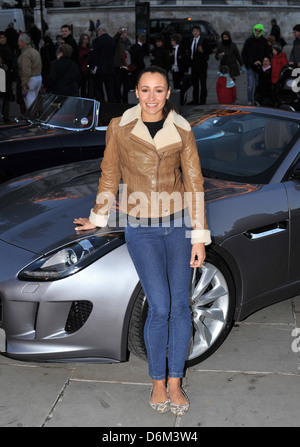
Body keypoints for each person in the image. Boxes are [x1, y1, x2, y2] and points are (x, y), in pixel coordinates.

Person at [73, 65, 211, 415]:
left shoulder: (182, 129)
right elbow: (109, 173)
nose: (152, 97)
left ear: (168, 93)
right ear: (137, 92)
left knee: (181, 306)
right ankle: (157, 381)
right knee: (160, 306)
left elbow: (194, 183)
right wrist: (97, 217)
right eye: (145, 90)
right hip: (141, 226)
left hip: (179, 223)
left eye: (159, 90)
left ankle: (176, 381)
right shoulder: (120, 128)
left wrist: (199, 237)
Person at [242, 24, 269, 105]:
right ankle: (250, 101)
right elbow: (244, 53)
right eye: (256, 30)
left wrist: (262, 62)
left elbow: (266, 53)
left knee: (258, 85)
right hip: (251, 66)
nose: (257, 32)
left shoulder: (264, 41)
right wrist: (248, 63)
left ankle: (256, 100)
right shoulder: (249, 40)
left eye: (259, 31)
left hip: (260, 67)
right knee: (250, 84)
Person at [89, 23, 115, 102]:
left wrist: (92, 67)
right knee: (109, 87)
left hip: (100, 68)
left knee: (98, 86)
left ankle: (101, 102)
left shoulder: (98, 40)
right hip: (110, 67)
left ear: (100, 31)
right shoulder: (111, 40)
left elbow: (96, 54)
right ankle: (111, 103)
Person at [17, 33, 42, 109]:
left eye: (19, 41)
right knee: (35, 101)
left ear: (22, 42)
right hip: (38, 77)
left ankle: (32, 119)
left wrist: (24, 84)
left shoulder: (25, 54)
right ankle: (35, 116)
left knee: (30, 103)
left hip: (30, 80)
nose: (18, 43)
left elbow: (26, 70)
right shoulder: (34, 51)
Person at [189, 24, 209, 105]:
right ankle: (195, 100)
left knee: (203, 84)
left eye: (197, 31)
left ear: (200, 32)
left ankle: (202, 101)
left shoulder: (204, 40)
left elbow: (208, 52)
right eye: (194, 31)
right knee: (195, 84)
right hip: (194, 66)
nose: (195, 32)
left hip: (202, 65)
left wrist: (202, 51)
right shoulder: (191, 40)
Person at [170, 33, 189, 105]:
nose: (171, 42)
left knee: (181, 86)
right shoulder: (172, 49)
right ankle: (176, 100)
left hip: (181, 70)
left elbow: (185, 60)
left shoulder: (182, 48)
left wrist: (185, 70)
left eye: (172, 40)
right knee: (175, 85)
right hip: (174, 69)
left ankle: (181, 100)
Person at [114, 27, 131, 103]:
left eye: (124, 33)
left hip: (126, 67)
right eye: (122, 33)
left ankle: (125, 99)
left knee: (126, 85)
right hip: (118, 66)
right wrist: (118, 33)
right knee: (117, 85)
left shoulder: (128, 42)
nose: (123, 34)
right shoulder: (117, 42)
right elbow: (114, 39)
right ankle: (118, 99)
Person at [0, 31, 14, 121]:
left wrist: (12, 78)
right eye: (1, 37)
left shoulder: (8, 48)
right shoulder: (7, 48)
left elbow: (11, 63)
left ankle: (5, 116)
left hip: (6, 76)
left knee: (6, 98)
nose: (2, 39)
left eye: (3, 37)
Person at [78, 33, 92, 97]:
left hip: (88, 68)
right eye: (84, 39)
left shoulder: (90, 48)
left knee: (89, 87)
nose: (86, 40)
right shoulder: (79, 48)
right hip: (81, 69)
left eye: (87, 39)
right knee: (83, 87)